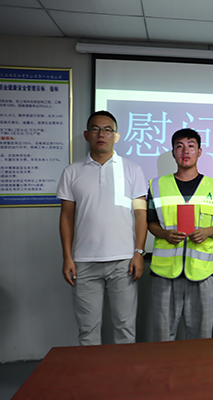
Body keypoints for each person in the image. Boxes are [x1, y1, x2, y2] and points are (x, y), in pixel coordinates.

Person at [57, 110, 147, 346]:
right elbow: (66, 217)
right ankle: (91, 372)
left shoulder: (132, 170)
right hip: (84, 262)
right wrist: (67, 257)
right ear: (86, 135)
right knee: (88, 331)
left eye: (108, 130)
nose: (101, 134)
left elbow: (141, 214)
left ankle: (124, 371)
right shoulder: (72, 172)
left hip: (123, 262)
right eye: (95, 129)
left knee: (125, 329)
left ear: (116, 136)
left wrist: (139, 252)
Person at [147, 128, 213, 341]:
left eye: (191, 146)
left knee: (201, 337)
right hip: (165, 273)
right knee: (162, 336)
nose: (185, 151)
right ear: (173, 153)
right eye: (180, 146)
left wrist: (208, 231)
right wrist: (165, 234)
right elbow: (151, 223)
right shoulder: (157, 186)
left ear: (199, 152)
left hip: (202, 273)